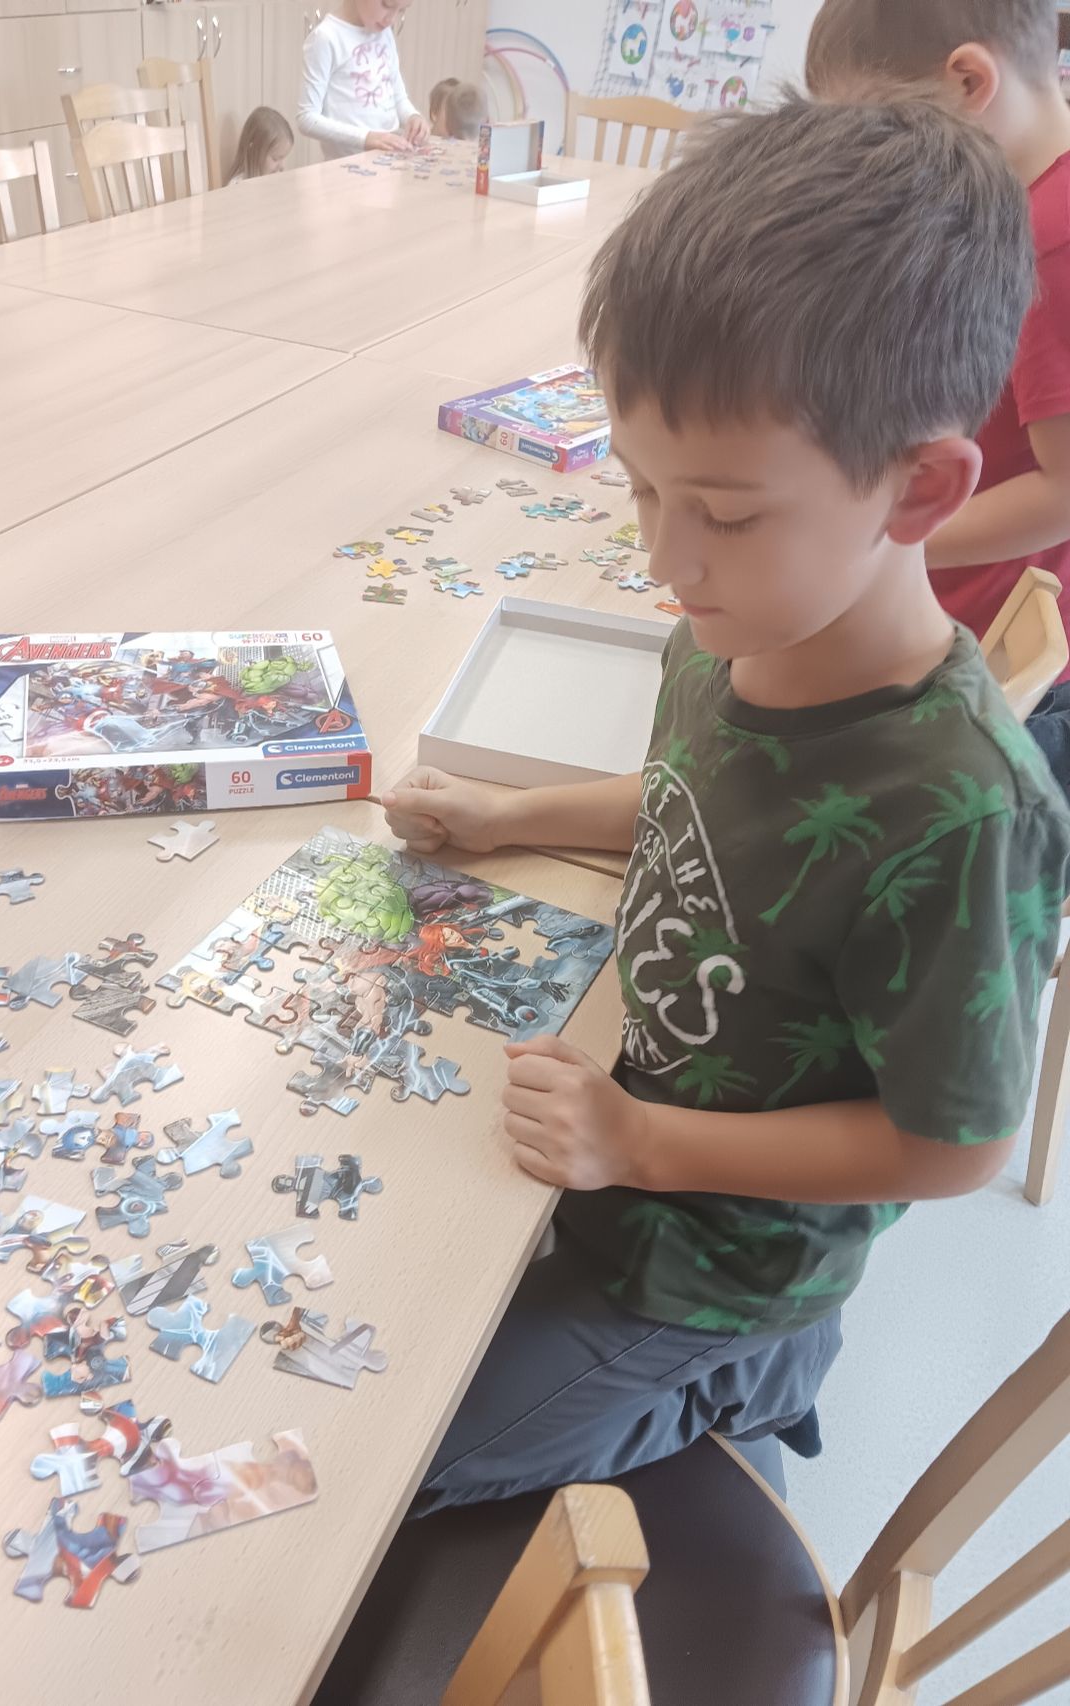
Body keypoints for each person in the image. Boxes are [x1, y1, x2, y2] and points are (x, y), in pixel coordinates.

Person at [383, 95, 1070, 1513]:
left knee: (399, 1474)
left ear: (921, 489)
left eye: (727, 511)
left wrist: (640, 1143)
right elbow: (698, 803)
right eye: (641, 489)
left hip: (714, 1273)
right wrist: (511, 816)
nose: (664, 559)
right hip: (616, 1147)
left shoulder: (962, 810)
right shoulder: (729, 633)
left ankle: (760, 1380)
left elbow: (955, 1144)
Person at [808, 0, 1070, 796]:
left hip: (991, 666)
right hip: (948, 613)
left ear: (967, 82)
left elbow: (1064, 492)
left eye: (880, 132)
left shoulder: (1048, 244)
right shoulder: (1011, 206)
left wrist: (878, 545)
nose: (871, 166)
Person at [298, 0, 428, 160]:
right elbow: (307, 119)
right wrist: (367, 138)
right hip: (345, 167)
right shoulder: (326, 37)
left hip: (389, 161)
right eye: (387, 5)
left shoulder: (385, 33)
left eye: (402, 10)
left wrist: (412, 116)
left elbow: (398, 97)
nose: (392, 19)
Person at [227, 107, 294, 182]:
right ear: (254, 151)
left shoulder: (271, 178)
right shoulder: (238, 185)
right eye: (275, 159)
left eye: (282, 158)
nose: (282, 166)